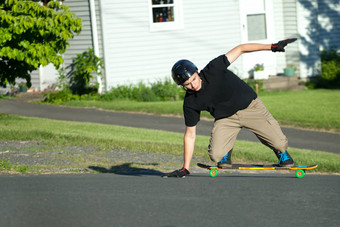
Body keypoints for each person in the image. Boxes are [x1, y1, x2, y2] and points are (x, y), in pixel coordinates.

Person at [162, 38, 297, 178]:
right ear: (183, 86)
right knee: (216, 155)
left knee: (280, 143)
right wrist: (185, 168)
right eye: (188, 84)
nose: (193, 85)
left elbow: (240, 48)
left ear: (197, 71)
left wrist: (272, 46)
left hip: (250, 108)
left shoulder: (213, 69)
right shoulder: (190, 101)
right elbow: (190, 135)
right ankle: (226, 153)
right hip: (226, 119)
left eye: (194, 79)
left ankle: (281, 153)